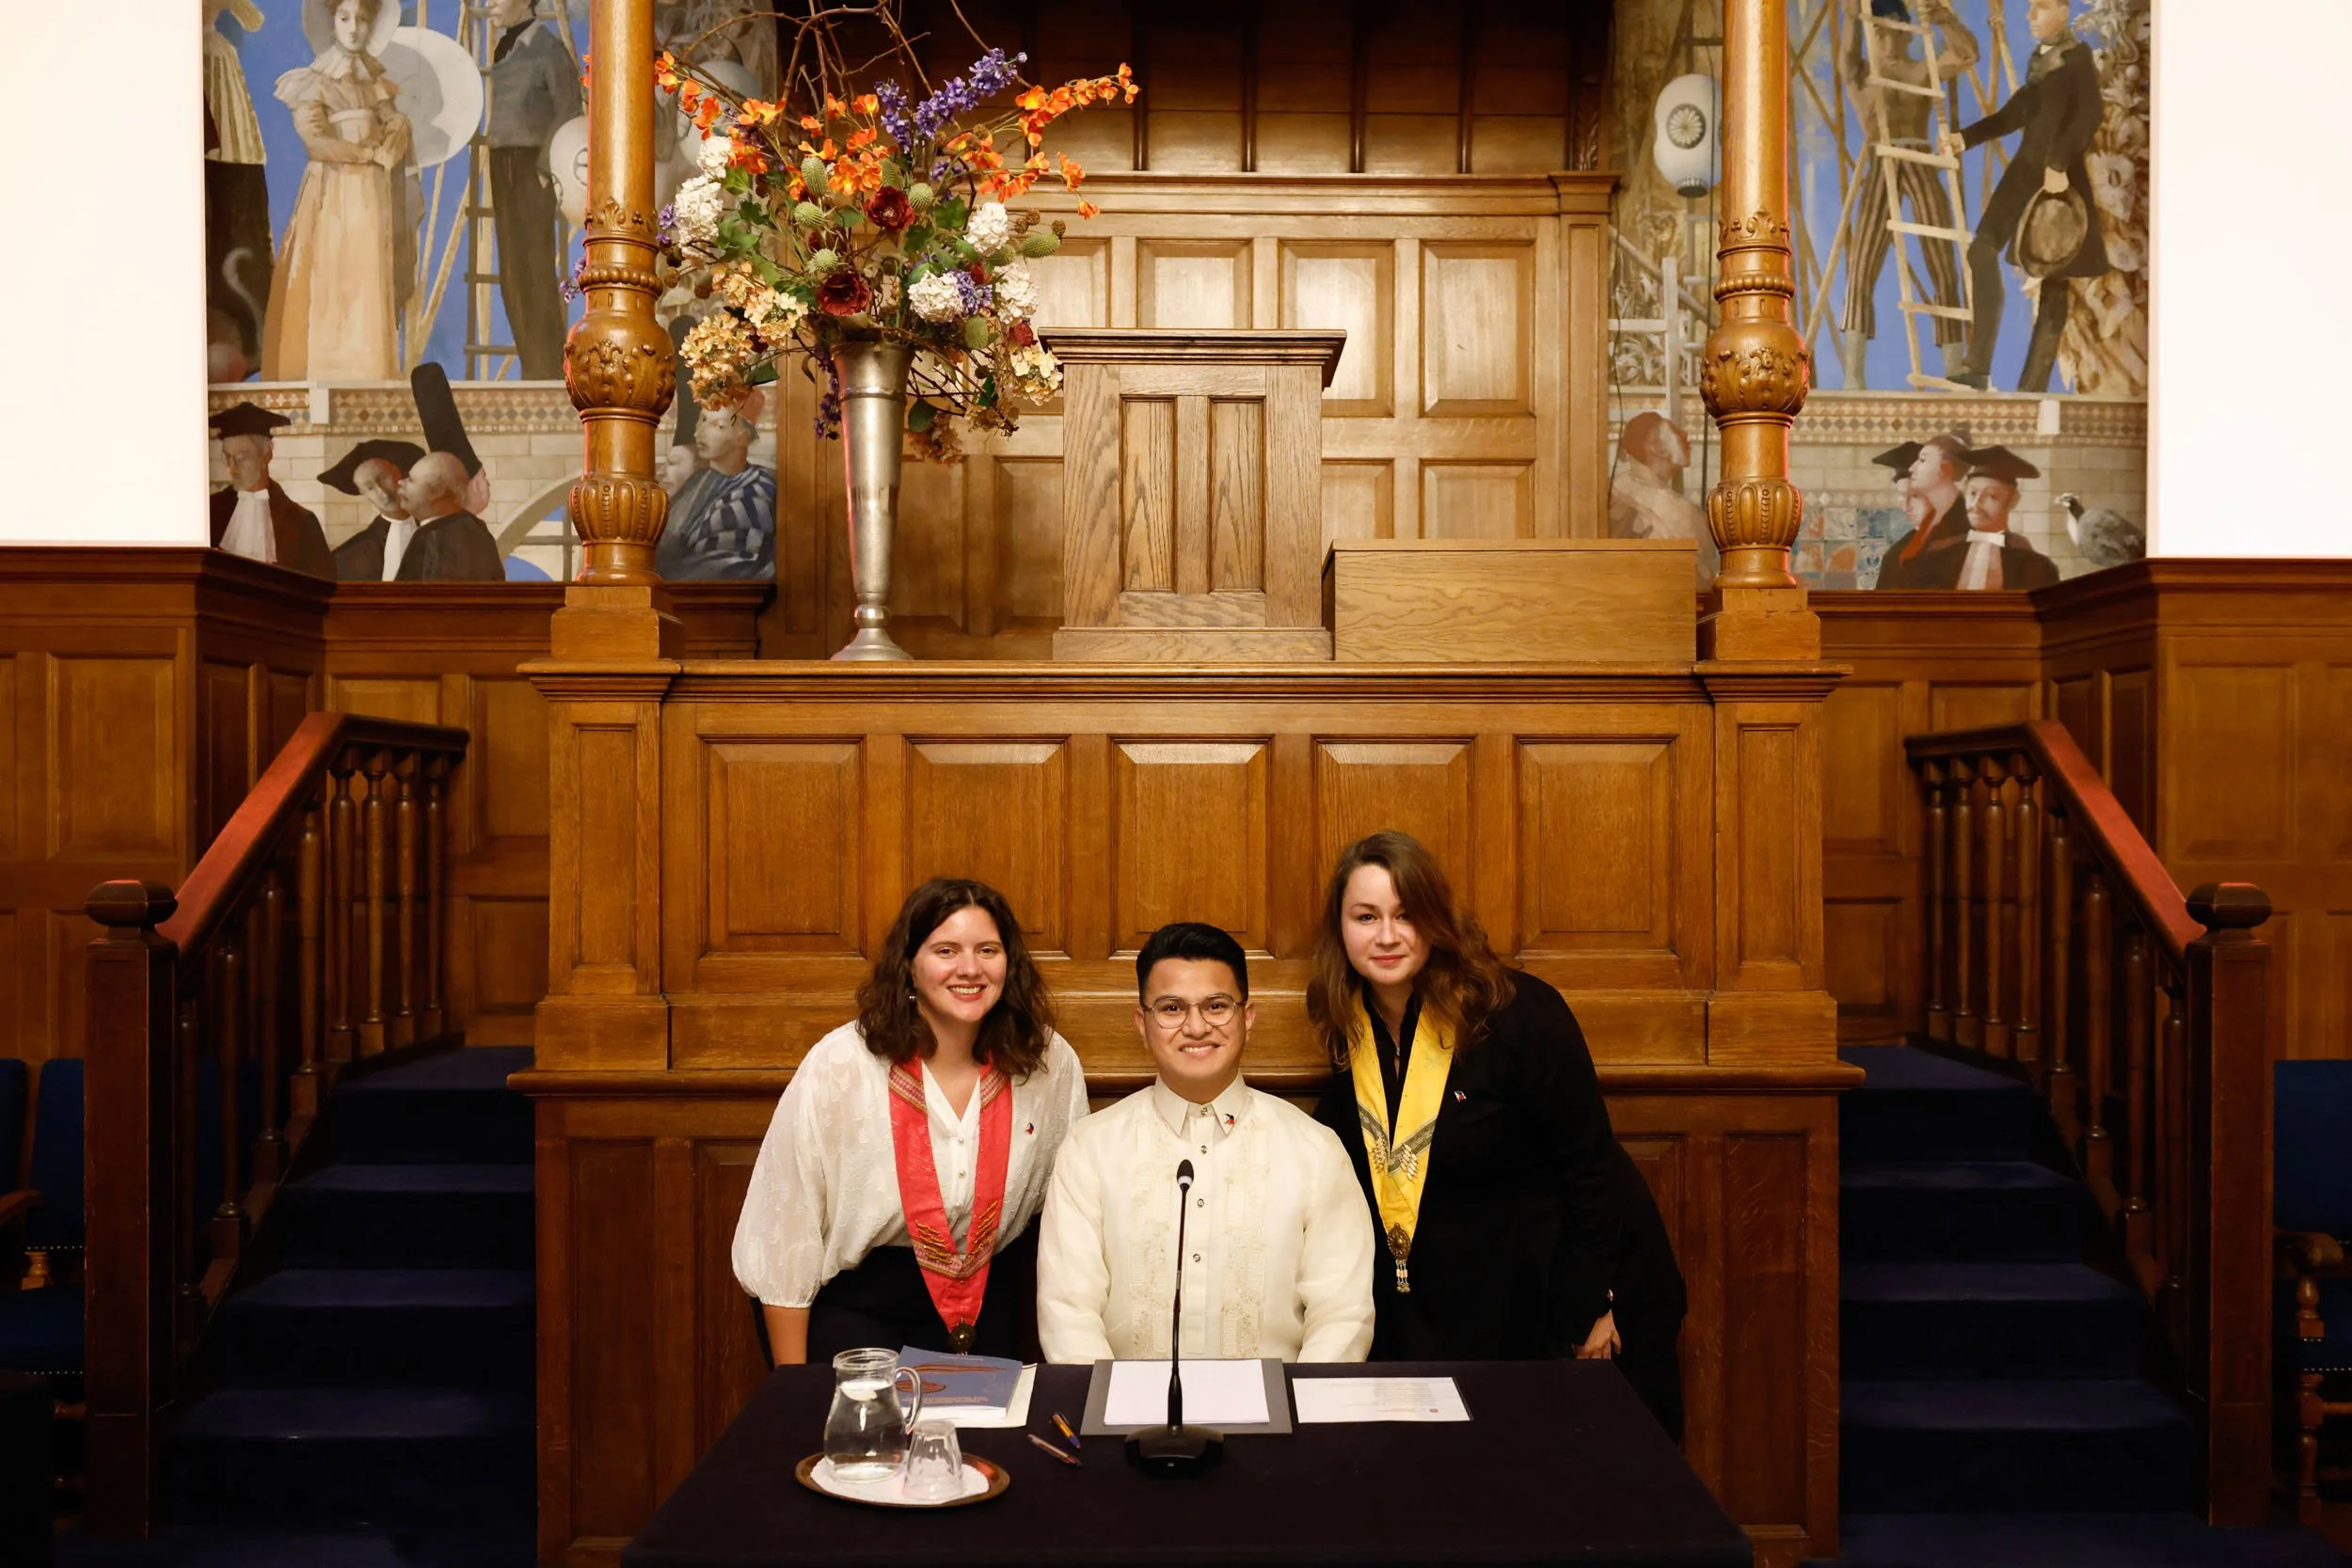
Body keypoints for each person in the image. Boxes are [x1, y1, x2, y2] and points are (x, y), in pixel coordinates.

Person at [1307, 832, 1687, 1438]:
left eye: (1406, 915)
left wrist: (1591, 1303)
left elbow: (1592, 1167)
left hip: (1557, 1297)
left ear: (1437, 921)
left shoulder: (1515, 1011)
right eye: (1366, 917)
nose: (1387, 936)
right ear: (1341, 928)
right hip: (1445, 1310)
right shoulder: (1345, 1024)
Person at [733, 879, 1089, 1363]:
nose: (970, 968)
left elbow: (1070, 1210)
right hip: (862, 1307)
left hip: (989, 1305)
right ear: (909, 967)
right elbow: (783, 1231)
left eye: (987, 950)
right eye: (946, 950)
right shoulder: (842, 1065)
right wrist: (793, 1386)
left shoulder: (1047, 1062)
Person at [1037, 923, 1375, 1365]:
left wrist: (1296, 1404)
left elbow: (1342, 1315)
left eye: (1217, 1006)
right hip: (1123, 1406)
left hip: (1280, 1406)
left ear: (1247, 1018)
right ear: (1142, 1024)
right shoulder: (1090, 1149)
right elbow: (1068, 1312)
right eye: (1171, 1008)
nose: (1195, 1027)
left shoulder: (1315, 1150)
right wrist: (1117, 1402)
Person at [1941, 0, 2106, 393]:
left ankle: (2032, 389)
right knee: (1981, 250)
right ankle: (1978, 369)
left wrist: (2059, 163)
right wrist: (1965, 139)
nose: (2030, 16)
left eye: (2042, 7)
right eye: (2030, 7)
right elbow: (2013, 114)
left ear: (2064, 11)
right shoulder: (2041, 60)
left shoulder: (2078, 59)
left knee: (2055, 280)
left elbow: (2090, 116)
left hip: (2061, 182)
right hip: (2025, 172)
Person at [260, 0, 410, 382]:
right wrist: (368, 153)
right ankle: (328, 368)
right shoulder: (313, 81)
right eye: (345, 18)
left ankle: (368, 372)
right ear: (332, 23)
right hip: (333, 189)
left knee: (367, 276)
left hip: (370, 194)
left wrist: (395, 133)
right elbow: (316, 142)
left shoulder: (374, 81)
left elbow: (392, 119)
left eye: (362, 19)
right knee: (331, 273)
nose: (354, 28)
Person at [1837, 0, 1977, 388]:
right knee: (1861, 265)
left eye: (1892, 31)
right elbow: (1847, 59)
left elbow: (1967, 55)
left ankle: (1953, 364)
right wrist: (1851, 18)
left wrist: (1945, 18)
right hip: (1881, 160)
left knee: (1942, 261)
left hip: (1917, 158)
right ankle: (1853, 374)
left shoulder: (1920, 70)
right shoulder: (1863, 78)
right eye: (1878, 33)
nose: (1886, 43)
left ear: (1904, 29)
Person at [486, 0, 578, 379]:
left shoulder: (549, 50)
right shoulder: (504, 47)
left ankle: (549, 370)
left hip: (531, 165)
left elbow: (569, 109)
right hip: (501, 162)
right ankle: (532, 366)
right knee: (512, 270)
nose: (489, 4)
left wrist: (544, 168)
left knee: (535, 267)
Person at [210, 402, 334, 578]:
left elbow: (321, 581)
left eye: (242, 458)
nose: (233, 468)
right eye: (228, 458)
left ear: (266, 455)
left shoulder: (301, 522)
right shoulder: (212, 511)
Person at [662, 398, 775, 580]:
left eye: (718, 426)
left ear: (743, 436)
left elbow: (724, 568)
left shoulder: (754, 492)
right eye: (702, 419)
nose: (699, 433)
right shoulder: (699, 479)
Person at [1606, 412, 1716, 588]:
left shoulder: (1619, 488)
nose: (1685, 434)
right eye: (1675, 431)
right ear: (1657, 448)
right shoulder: (1679, 510)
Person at [1871, 432, 1971, 590]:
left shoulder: (1966, 539)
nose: (1906, 507)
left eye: (1915, 496)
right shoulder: (1896, 554)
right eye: (1903, 496)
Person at [387, 452, 506, 581]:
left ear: (437, 491)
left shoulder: (434, 536)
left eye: (411, 480)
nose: (400, 482)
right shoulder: (475, 528)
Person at [319, 438, 425, 580]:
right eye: (369, 488)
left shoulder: (440, 531)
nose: (383, 493)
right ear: (362, 492)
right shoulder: (347, 555)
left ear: (397, 472)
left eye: (383, 478)